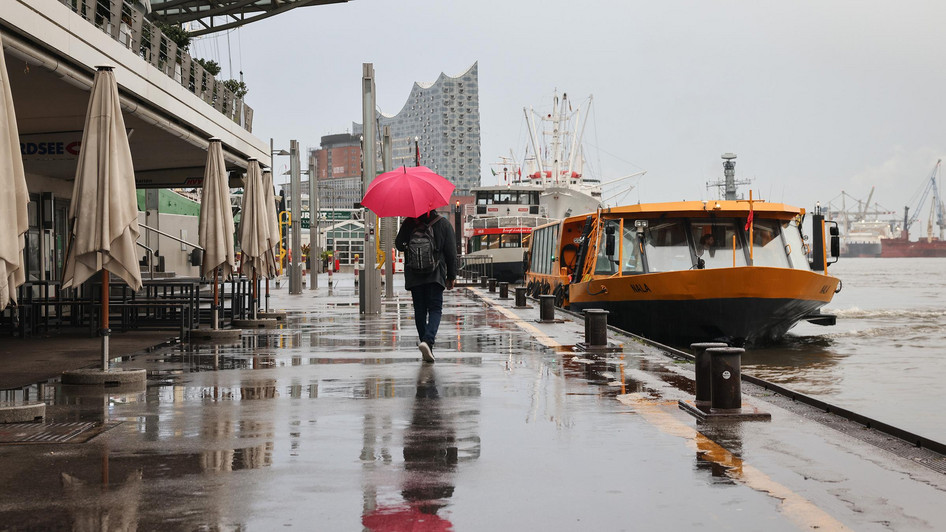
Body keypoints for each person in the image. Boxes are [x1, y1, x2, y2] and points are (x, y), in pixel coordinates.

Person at [396, 209, 457, 363]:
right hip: (435, 274)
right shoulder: (443, 224)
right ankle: (428, 342)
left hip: (414, 274)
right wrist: (451, 276)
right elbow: (451, 253)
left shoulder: (409, 222)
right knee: (435, 309)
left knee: (420, 310)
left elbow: (398, 244)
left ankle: (425, 342)